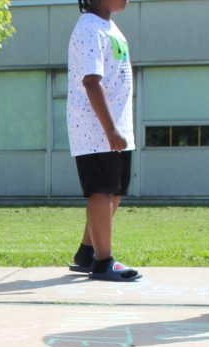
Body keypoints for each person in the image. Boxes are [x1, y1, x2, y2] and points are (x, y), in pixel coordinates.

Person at [65, 0, 141, 282]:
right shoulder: (89, 28)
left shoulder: (109, 27)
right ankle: (103, 262)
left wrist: (117, 128)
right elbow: (91, 81)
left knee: (115, 191)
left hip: (116, 127)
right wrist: (109, 129)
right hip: (94, 129)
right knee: (101, 192)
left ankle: (87, 253)